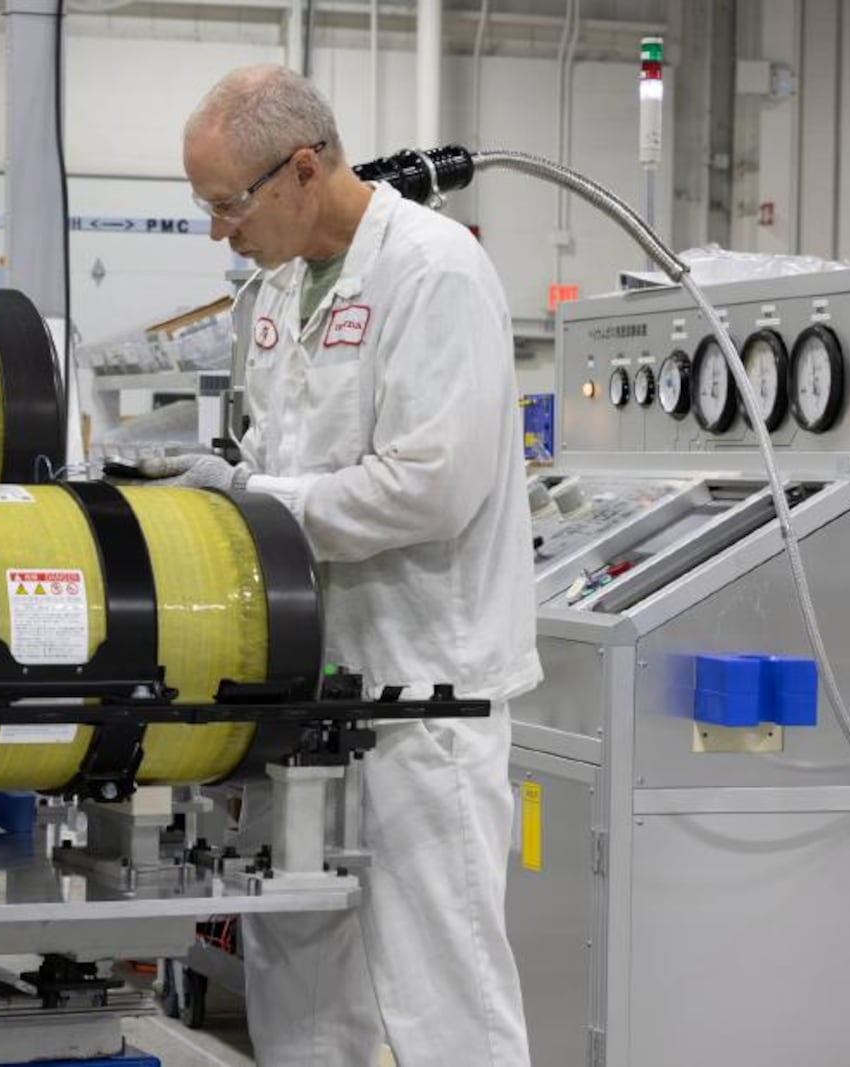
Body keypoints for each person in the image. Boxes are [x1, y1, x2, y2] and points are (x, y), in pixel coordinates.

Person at [144, 65, 541, 1066]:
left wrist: (258, 505)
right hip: (309, 689)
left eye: (226, 205)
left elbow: (429, 486)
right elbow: (293, 463)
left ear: (304, 168)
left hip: (423, 690)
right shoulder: (277, 290)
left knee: (442, 989)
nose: (217, 232)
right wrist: (228, 484)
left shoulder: (434, 270)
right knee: (302, 982)